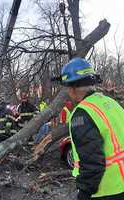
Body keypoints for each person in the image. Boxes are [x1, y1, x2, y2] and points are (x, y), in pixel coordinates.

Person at [60, 57, 124, 200]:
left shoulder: (81, 114)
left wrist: (84, 192)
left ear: (72, 88)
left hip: (106, 190)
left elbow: (92, 163)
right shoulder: (111, 103)